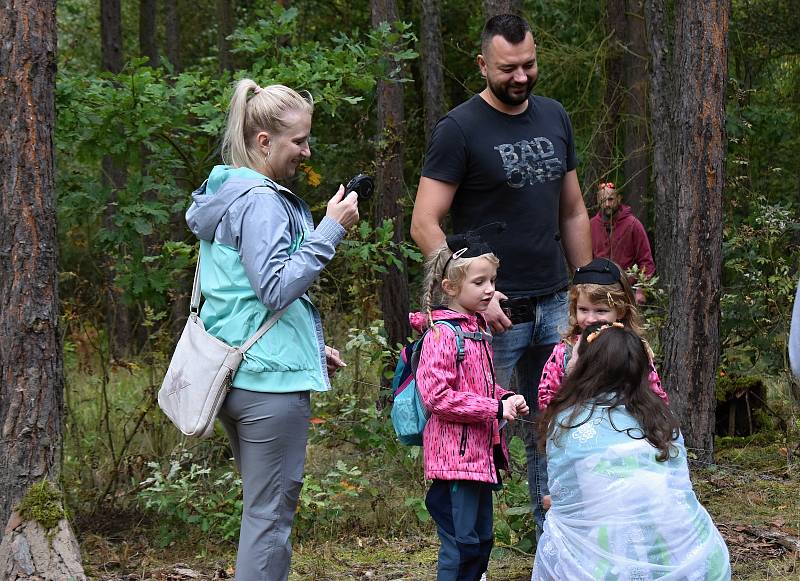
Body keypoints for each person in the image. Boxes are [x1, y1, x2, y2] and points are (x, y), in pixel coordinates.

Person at [410, 13, 592, 537]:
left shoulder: (555, 117)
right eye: (508, 68)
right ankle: (470, 553)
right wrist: (474, 297)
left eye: (529, 65)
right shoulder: (459, 129)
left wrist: (590, 288)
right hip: (489, 318)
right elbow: (425, 222)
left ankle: (553, 542)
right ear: (482, 64)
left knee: (556, 426)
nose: (521, 77)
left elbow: (573, 210)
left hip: (556, 302)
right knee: (482, 429)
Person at [185, 79, 359, 581]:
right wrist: (331, 228)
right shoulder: (260, 200)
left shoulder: (227, 192)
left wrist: (306, 348)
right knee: (269, 519)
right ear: (264, 142)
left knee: (263, 512)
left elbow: (238, 298)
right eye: (298, 141)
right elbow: (276, 288)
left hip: (240, 375)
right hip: (267, 388)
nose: (306, 151)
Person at [532, 323, 731, 580]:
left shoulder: (568, 421)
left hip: (603, 560)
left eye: (576, 354)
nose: (570, 361)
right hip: (694, 555)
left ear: (587, 367)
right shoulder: (661, 416)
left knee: (558, 531)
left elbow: (565, 505)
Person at [412, 230, 529, 580]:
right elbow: (436, 396)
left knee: (481, 540)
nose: (489, 289)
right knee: (460, 544)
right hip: (454, 461)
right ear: (450, 287)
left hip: (480, 455)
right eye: (479, 282)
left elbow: (480, 385)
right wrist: (493, 410)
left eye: (492, 280)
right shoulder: (441, 335)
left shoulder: (477, 331)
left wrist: (505, 398)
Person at [538, 257, 667, 411]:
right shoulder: (564, 351)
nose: (591, 319)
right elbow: (546, 397)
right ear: (574, 308)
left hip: (623, 428)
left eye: (601, 311)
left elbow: (655, 394)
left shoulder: (633, 349)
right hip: (576, 426)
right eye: (583, 310)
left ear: (620, 310)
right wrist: (571, 373)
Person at [590, 181, 655, 304]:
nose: (607, 204)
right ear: (598, 200)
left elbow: (646, 262)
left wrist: (641, 291)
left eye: (611, 199)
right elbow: (587, 262)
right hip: (599, 294)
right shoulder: (591, 226)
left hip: (626, 294)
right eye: (603, 200)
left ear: (619, 199)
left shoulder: (633, 224)